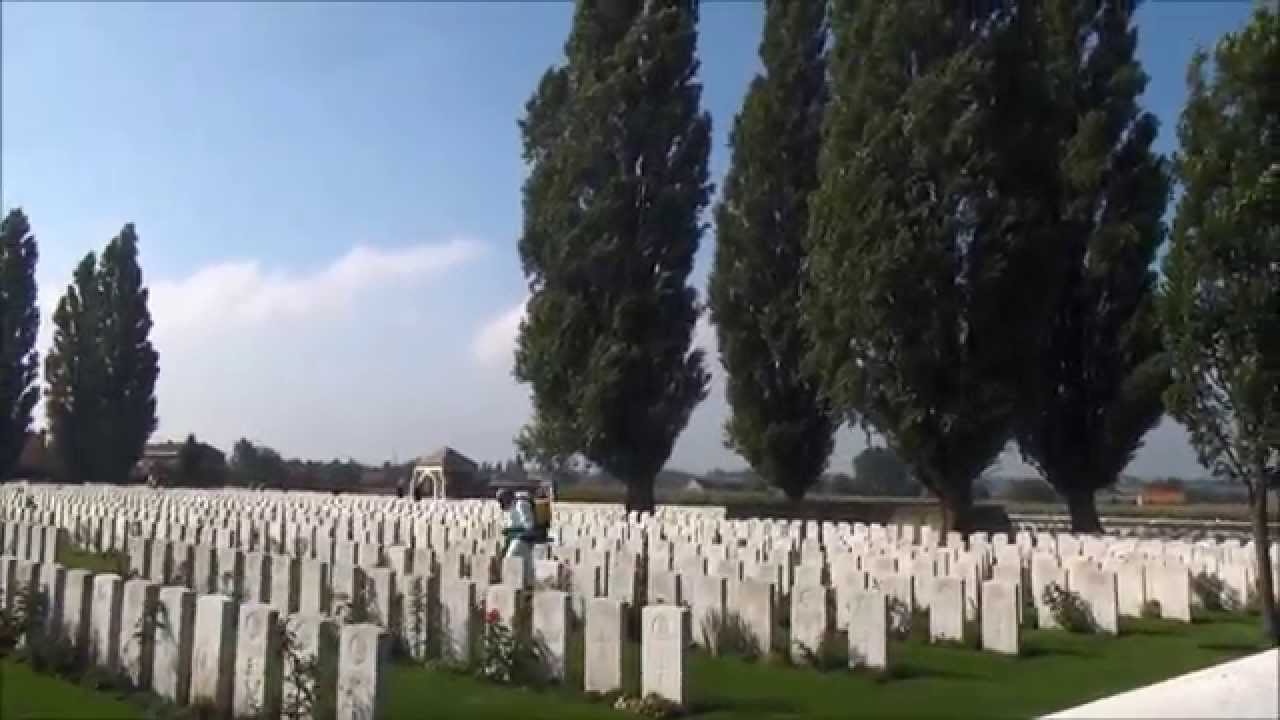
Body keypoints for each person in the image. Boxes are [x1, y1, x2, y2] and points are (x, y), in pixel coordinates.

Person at [498, 489, 536, 586]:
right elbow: (514, 523)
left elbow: (529, 526)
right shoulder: (513, 505)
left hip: (525, 538)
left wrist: (513, 531)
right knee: (526, 566)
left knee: (511, 559)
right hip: (519, 538)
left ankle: (513, 586)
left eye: (502, 500)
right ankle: (528, 588)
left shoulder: (521, 505)